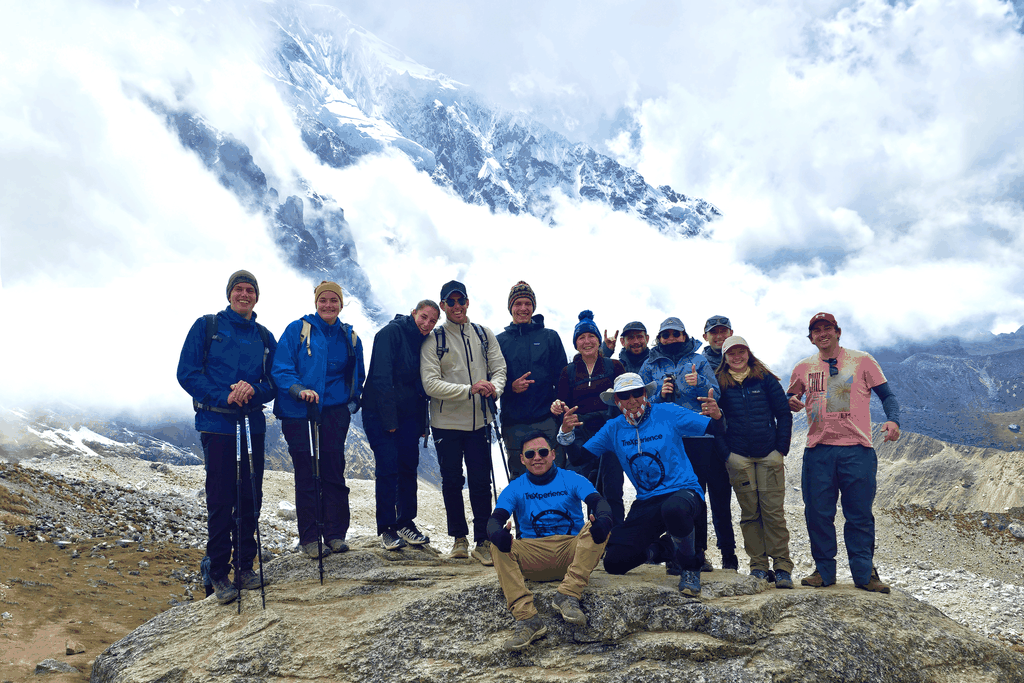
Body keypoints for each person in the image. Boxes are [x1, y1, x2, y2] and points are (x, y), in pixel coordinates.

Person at [557, 373, 725, 597]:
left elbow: (714, 429)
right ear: (616, 400)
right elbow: (580, 458)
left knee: (674, 509)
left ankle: (690, 567)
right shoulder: (613, 428)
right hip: (647, 500)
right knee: (615, 562)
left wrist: (717, 416)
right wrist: (566, 434)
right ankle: (665, 549)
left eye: (637, 393)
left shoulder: (668, 412)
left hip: (683, 491)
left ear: (645, 394)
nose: (632, 399)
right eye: (625, 395)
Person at [177, 269, 277, 605]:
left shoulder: (264, 336)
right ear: (229, 294)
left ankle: (245, 567)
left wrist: (253, 390)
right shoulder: (207, 327)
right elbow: (187, 373)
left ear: (256, 297)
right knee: (221, 499)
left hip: (251, 425)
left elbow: (274, 381)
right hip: (217, 424)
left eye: (250, 290)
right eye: (239, 289)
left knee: (250, 497)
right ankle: (218, 571)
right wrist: (225, 395)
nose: (244, 295)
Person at [788, 312, 901, 593]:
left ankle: (865, 574)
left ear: (838, 332)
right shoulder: (803, 367)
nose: (822, 334)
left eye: (828, 328)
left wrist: (894, 420)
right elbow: (790, 397)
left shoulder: (862, 360)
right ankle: (824, 571)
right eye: (816, 330)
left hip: (857, 450)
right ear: (810, 337)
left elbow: (887, 395)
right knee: (817, 513)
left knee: (859, 514)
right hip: (818, 451)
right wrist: (790, 400)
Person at [487, 431, 615, 650]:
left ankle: (567, 594)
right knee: (496, 545)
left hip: (571, 551)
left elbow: (599, 503)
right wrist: (498, 535)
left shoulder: (572, 479)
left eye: (543, 452)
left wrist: (603, 519)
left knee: (598, 527)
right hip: (533, 555)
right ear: (522, 459)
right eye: (530, 453)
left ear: (553, 454)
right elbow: (494, 521)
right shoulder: (516, 487)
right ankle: (527, 619)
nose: (537, 457)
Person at [272, 281, 365, 560]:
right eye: (323, 300)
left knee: (334, 471)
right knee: (308, 472)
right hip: (298, 411)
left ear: (341, 304)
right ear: (316, 302)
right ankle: (310, 538)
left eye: (333, 301)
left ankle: (335, 534)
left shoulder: (349, 336)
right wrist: (300, 391)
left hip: (334, 412)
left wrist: (350, 403)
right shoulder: (297, 330)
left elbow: (357, 376)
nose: (328, 305)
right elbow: (281, 368)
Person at [420, 280, 507, 566]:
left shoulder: (483, 334)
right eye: (451, 302)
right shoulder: (435, 338)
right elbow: (430, 384)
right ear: (443, 305)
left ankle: (482, 541)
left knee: (481, 482)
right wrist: (469, 388)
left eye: (461, 301)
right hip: (447, 422)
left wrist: (495, 388)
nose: (457, 306)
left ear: (468, 302)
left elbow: (499, 369)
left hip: (479, 420)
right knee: (452, 482)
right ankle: (459, 538)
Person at [639, 317, 736, 572]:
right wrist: (660, 392)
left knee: (696, 496)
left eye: (676, 334)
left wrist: (700, 383)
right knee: (669, 495)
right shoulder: (650, 364)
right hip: (664, 438)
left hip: (697, 437)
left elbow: (716, 391)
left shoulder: (699, 361)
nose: (671, 338)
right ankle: (673, 554)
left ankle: (698, 553)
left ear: (684, 335)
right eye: (666, 335)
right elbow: (638, 397)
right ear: (659, 338)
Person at [712, 336, 794, 588]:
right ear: (724, 358)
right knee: (750, 513)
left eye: (741, 352)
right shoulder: (719, 384)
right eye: (731, 353)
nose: (737, 357)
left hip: (768, 455)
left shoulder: (765, 379)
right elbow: (715, 420)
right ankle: (758, 566)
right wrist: (727, 454)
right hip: (739, 458)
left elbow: (783, 414)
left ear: (748, 353)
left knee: (773, 513)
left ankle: (782, 567)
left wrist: (781, 449)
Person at [362, 300, 440, 550]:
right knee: (387, 469)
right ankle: (387, 528)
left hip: (407, 417)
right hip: (381, 415)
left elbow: (419, 387)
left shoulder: (423, 341)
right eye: (424, 317)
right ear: (413, 313)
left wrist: (421, 424)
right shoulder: (390, 333)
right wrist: (389, 421)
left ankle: (406, 522)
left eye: (432, 321)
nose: (427, 324)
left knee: (408, 467)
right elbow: (381, 378)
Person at [551, 311, 626, 524]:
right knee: (580, 488)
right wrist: (558, 408)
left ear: (598, 340)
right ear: (576, 344)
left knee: (611, 488)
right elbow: (562, 403)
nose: (587, 341)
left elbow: (626, 398)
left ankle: (615, 541)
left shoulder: (615, 366)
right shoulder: (569, 371)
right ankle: (586, 538)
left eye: (591, 336)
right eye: (581, 338)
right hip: (581, 437)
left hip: (610, 434)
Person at [496, 281, 568, 478]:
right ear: (510, 307)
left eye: (528, 303)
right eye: (518, 303)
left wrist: (559, 409)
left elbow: (563, 379)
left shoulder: (549, 337)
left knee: (554, 476)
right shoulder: (499, 341)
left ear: (533, 307)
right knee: (520, 480)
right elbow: (492, 381)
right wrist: (511, 387)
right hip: (514, 423)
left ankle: (557, 511)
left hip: (547, 420)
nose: (523, 308)